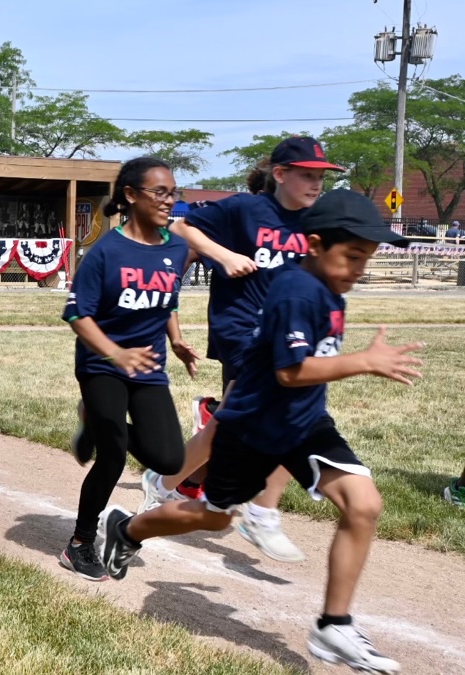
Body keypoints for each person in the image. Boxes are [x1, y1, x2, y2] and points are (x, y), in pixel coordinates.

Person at [100, 190, 417, 675]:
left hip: (304, 424)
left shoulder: (329, 287)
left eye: (366, 259)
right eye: (352, 256)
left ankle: (334, 626)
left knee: (364, 503)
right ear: (313, 245)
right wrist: (365, 363)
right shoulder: (295, 290)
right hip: (252, 429)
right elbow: (291, 372)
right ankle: (126, 528)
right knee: (214, 518)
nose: (358, 268)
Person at [137, 136, 344, 563]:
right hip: (243, 329)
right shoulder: (245, 210)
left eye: (321, 176)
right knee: (292, 412)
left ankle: (164, 480)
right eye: (307, 174)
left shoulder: (315, 220)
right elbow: (179, 226)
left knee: (233, 426)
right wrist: (225, 255)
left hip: (288, 331)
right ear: (280, 175)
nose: (315, 183)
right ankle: (259, 511)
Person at [59, 158, 199, 581]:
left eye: (173, 193)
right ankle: (80, 544)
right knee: (113, 455)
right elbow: (76, 314)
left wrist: (175, 340)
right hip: (102, 365)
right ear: (131, 196)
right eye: (160, 192)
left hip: (149, 367)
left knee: (169, 456)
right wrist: (116, 354)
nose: (168, 201)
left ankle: (98, 423)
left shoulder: (174, 247)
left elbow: (167, 299)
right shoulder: (105, 251)